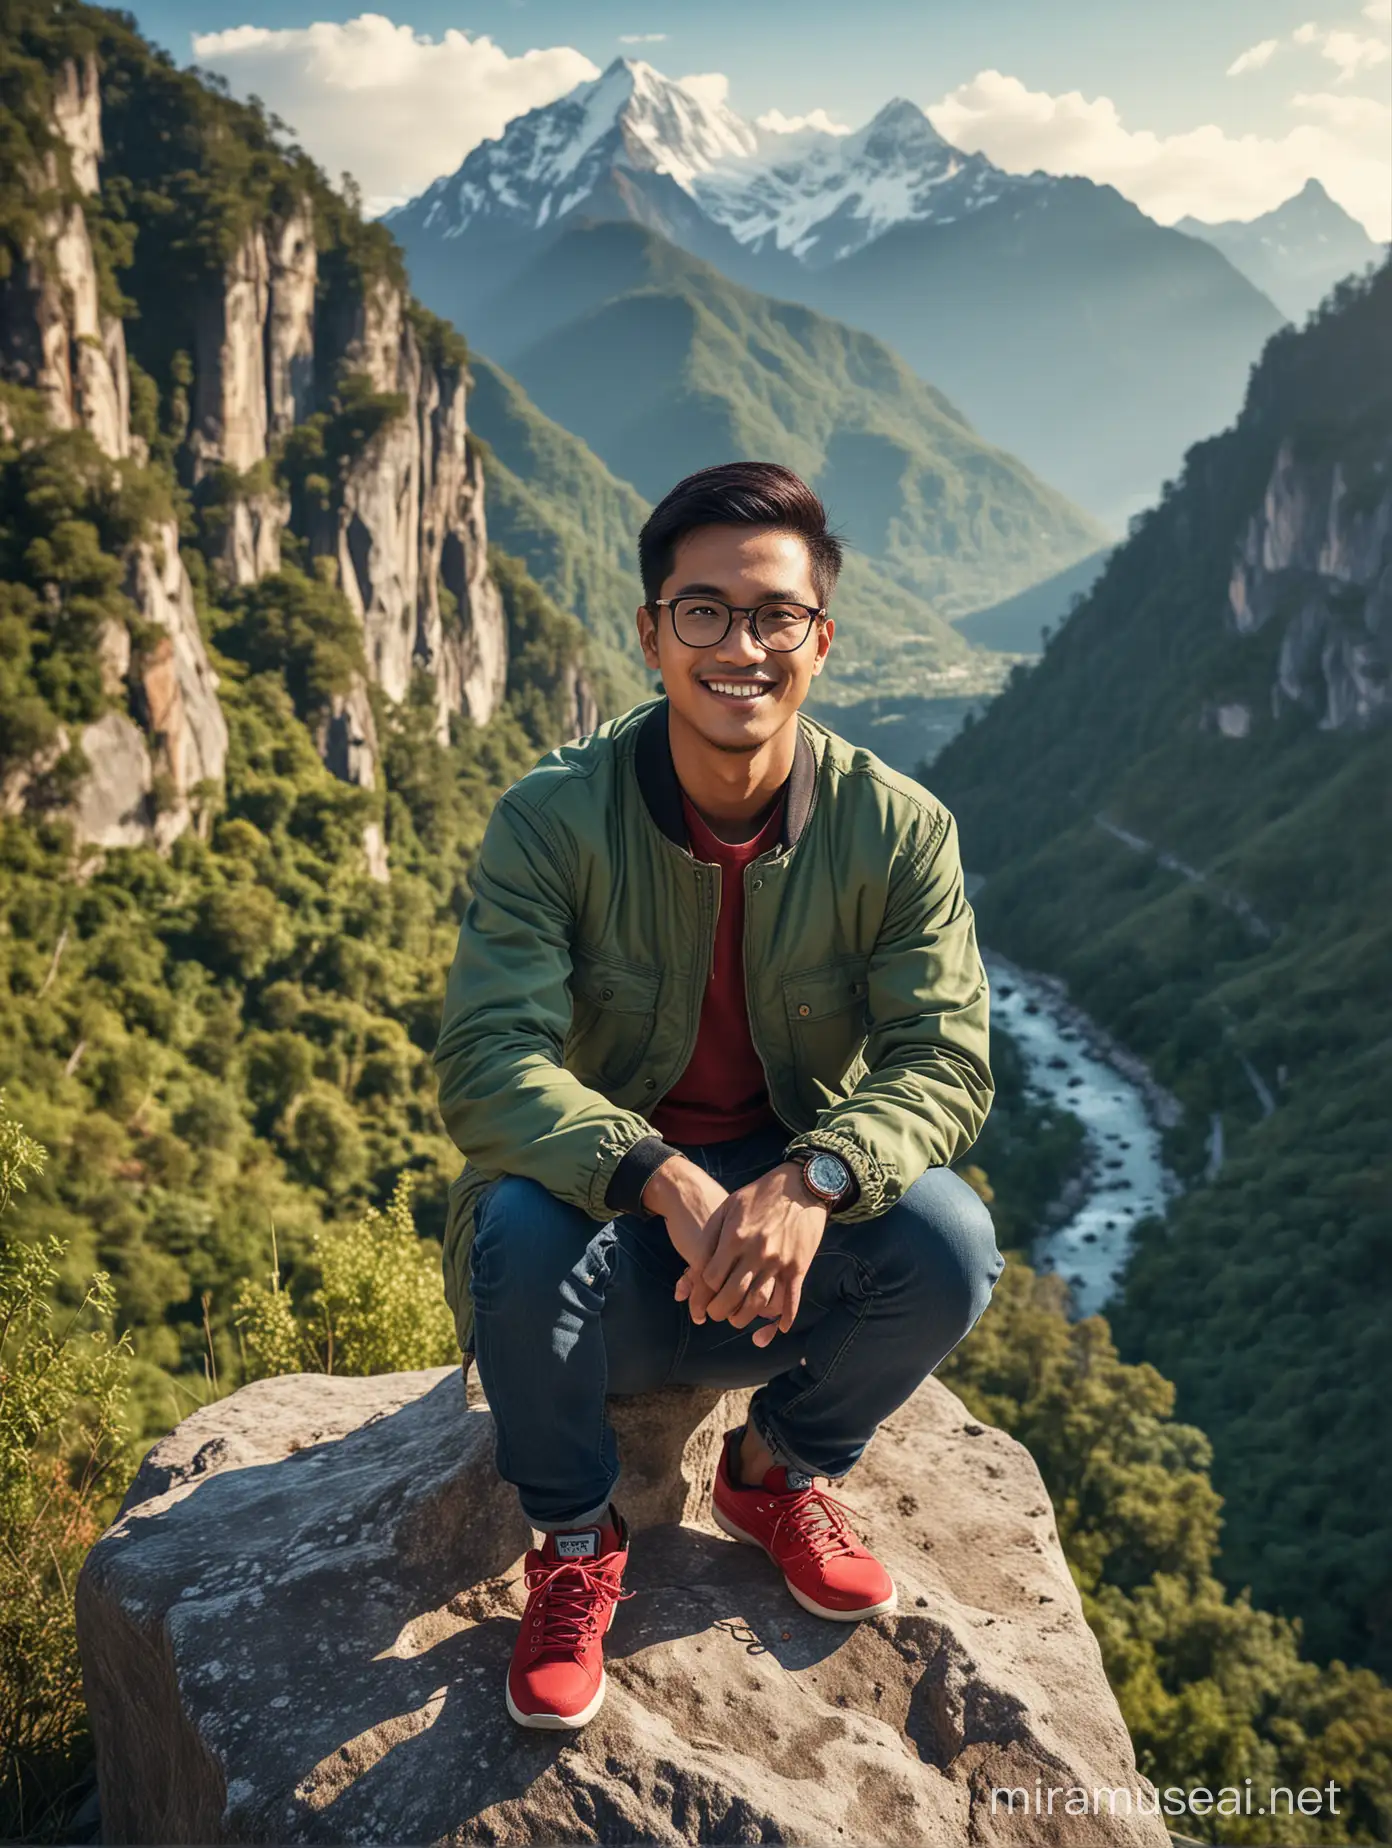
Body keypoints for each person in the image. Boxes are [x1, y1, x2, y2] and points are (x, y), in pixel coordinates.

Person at [434, 461, 1003, 1731]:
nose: (739, 647)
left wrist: (816, 1180)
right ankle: (577, 1543)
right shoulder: (553, 821)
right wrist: (654, 1174)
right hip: (604, 1235)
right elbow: (486, 1065)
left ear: (821, 638)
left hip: (784, 1256)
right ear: (650, 634)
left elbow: (947, 1060)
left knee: (951, 1244)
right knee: (518, 1231)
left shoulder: (898, 830)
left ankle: (773, 1467)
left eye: (774, 617)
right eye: (703, 613)